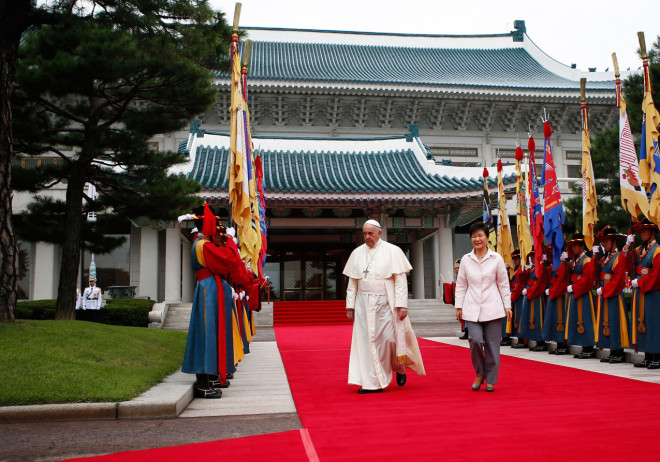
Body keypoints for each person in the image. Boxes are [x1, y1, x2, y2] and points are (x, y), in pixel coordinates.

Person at [344, 219, 425, 394]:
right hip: (363, 304)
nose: (367, 237)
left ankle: (400, 367)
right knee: (368, 342)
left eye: (370, 233)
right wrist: (349, 306)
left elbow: (401, 282)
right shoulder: (357, 253)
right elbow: (352, 283)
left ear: (379, 233)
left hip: (386, 303)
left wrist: (402, 305)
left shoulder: (392, 251)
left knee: (389, 340)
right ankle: (373, 382)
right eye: (364, 234)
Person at [455, 221, 512, 392]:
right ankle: (480, 372)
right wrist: (459, 307)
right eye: (474, 236)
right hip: (471, 308)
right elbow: (461, 284)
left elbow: (503, 284)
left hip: (493, 308)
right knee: (475, 340)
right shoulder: (466, 259)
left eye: (480, 235)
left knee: (493, 345)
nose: (477, 239)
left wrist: (507, 306)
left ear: (487, 238)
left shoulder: (496, 259)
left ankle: (491, 379)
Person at [594, 226, 631, 364]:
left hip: (613, 294)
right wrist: (594, 254)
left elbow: (618, 280)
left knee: (615, 323)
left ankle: (618, 351)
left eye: (607, 241)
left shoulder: (617, 257)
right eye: (603, 242)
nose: (604, 244)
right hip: (606, 293)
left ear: (614, 242)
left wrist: (604, 290)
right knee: (607, 322)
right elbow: (595, 272)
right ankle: (611, 350)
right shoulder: (605, 258)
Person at [629, 218, 660, 369]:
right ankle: (648, 354)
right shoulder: (639, 249)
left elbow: (656, 274)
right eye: (641, 231)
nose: (642, 234)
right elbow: (627, 264)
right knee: (643, 322)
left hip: (652, 291)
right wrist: (628, 246)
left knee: (653, 323)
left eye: (645, 231)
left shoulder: (657, 250)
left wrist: (641, 282)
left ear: (653, 233)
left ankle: (657, 356)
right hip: (641, 290)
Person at [564, 232, 597, 359]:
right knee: (577, 319)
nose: (573, 248)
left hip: (583, 294)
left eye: (575, 246)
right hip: (576, 293)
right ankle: (583, 346)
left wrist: (574, 287)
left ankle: (589, 346)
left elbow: (587, 280)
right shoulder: (574, 260)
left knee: (586, 320)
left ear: (582, 247)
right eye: (572, 246)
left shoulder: (587, 260)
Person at [542, 244, 569, 355]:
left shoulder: (563, 265)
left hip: (559, 294)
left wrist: (552, 291)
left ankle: (562, 343)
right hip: (553, 292)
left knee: (560, 319)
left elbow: (561, 280)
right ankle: (557, 343)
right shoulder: (553, 265)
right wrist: (543, 264)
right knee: (553, 319)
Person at [519, 247, 548, 351]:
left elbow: (540, 283)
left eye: (533, 255)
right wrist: (523, 264)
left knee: (538, 318)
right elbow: (520, 277)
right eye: (531, 256)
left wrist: (529, 291)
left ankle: (541, 341)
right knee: (530, 318)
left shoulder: (540, 267)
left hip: (536, 295)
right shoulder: (533, 267)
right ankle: (534, 339)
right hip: (530, 294)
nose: (532, 257)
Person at [501, 249, 522, 346]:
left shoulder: (521, 268)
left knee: (518, 317)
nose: (515, 261)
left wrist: (512, 295)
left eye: (517, 259)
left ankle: (518, 337)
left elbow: (519, 283)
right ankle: (506, 335)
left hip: (517, 295)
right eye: (514, 259)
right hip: (511, 293)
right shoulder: (515, 269)